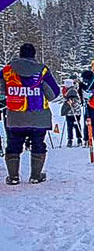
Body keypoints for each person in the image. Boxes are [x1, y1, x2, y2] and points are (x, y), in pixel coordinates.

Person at [3, 43, 59, 185]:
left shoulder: (8, 70)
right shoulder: (42, 70)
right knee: (38, 144)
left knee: (13, 145)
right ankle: (36, 176)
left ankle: (13, 177)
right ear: (34, 55)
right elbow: (53, 93)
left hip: (15, 117)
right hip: (38, 117)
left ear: (20, 54)